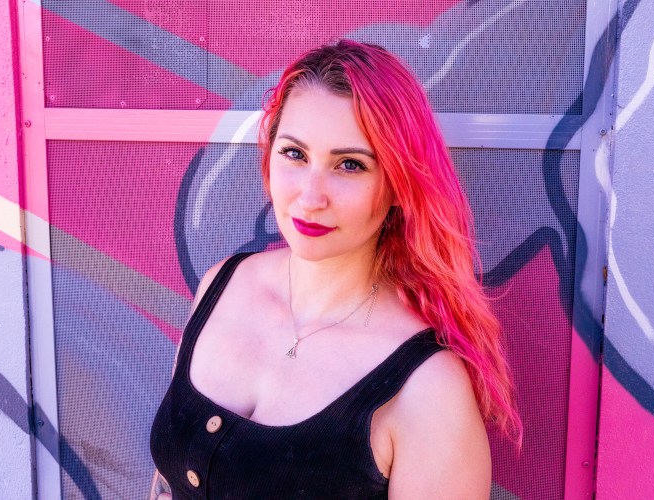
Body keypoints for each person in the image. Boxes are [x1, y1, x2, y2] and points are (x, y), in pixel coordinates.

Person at [150, 39, 521, 499]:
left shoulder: (427, 389)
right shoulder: (222, 285)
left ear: (400, 185)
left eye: (349, 165)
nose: (310, 197)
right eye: (295, 154)